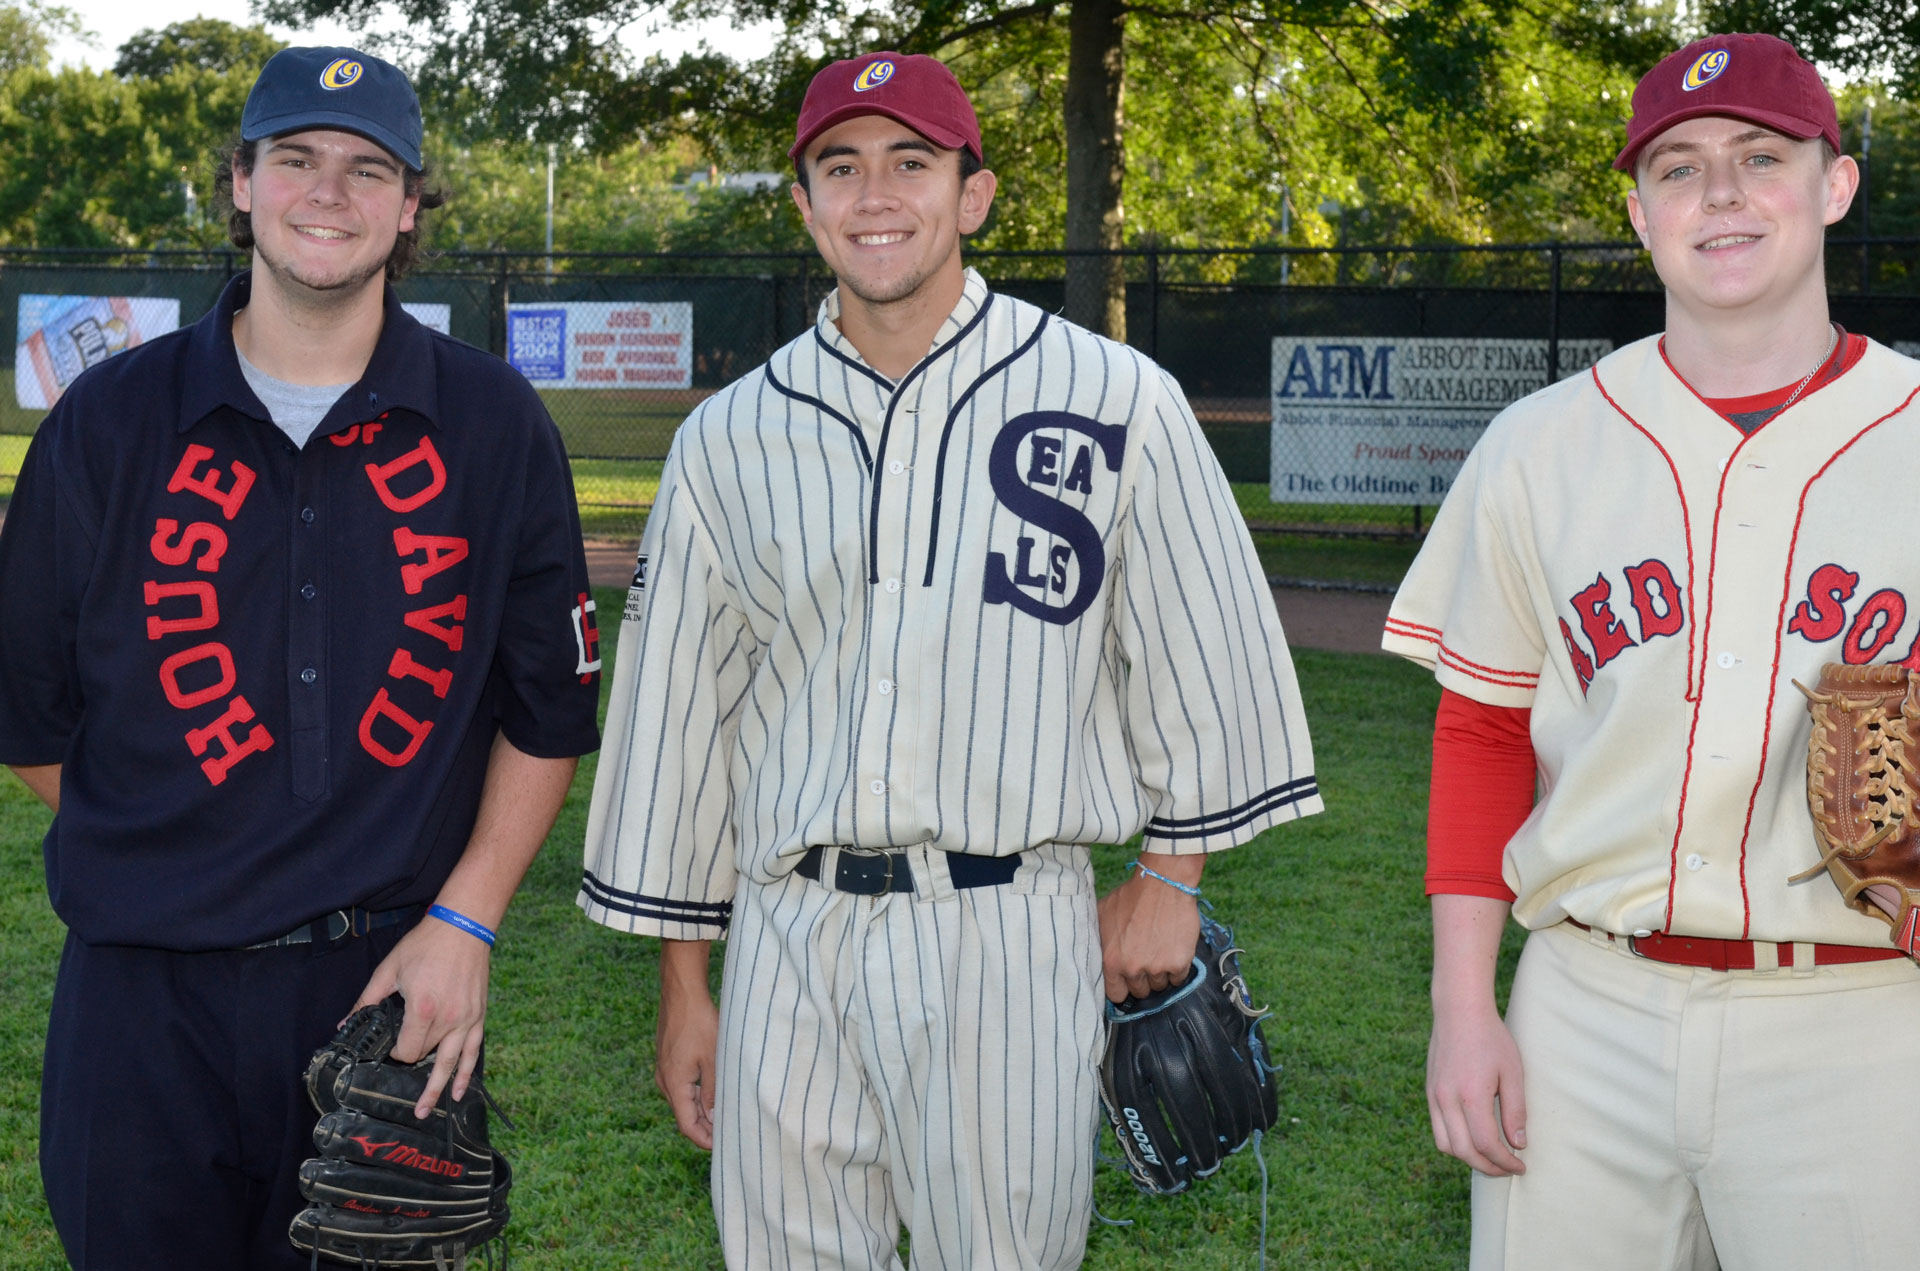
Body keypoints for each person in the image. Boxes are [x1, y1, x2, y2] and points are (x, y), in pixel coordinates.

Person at [580, 50, 1323, 1270]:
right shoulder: (729, 435)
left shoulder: (1115, 394)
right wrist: (686, 982)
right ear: (806, 204)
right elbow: (680, 721)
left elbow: (1203, 649)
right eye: (842, 166)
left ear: (973, 196)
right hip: (787, 930)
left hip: (1007, 929)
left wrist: (1173, 878)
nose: (877, 194)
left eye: (911, 164)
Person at [0, 46, 600, 1270]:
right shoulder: (107, 423)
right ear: (240, 183)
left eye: (367, 168)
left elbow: (546, 709)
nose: (329, 192)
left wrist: (467, 922)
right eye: (296, 160)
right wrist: (195, 856)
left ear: (411, 203)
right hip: (140, 1003)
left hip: (388, 982)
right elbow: (30, 721)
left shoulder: (492, 424)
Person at [1384, 31, 1920, 1270]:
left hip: (1861, 1017)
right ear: (1638, 212)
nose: (1720, 192)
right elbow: (1479, 728)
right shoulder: (1541, 443)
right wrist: (1464, 1009)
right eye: (1678, 167)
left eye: (1760, 156)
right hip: (1587, 1001)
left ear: (1834, 185)